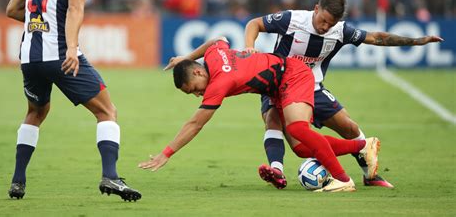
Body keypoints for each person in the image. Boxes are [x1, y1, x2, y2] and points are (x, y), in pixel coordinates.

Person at [244, 0, 444, 189]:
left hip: (313, 87)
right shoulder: (292, 19)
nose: (325, 27)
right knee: (275, 121)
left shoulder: (340, 31)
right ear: (316, 9)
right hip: (281, 85)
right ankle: (276, 171)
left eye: (330, 24)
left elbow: (377, 38)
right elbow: (255, 24)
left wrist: (417, 41)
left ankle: (370, 175)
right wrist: (249, 48)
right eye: (323, 20)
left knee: (348, 127)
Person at [5, 0, 141, 202]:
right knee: (107, 111)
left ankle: (18, 181)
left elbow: (11, 10)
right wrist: (71, 47)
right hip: (61, 54)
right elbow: (76, 7)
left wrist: (41, 25)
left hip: (30, 56)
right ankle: (111, 176)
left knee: (35, 113)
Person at [138, 37, 381, 193]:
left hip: (292, 74)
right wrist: (188, 58)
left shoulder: (219, 84)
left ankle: (342, 179)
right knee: (301, 148)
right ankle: (361, 145)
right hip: (274, 87)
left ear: (198, 74)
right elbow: (217, 40)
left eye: (193, 90)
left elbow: (195, 124)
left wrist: (166, 153)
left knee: (298, 129)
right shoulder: (213, 56)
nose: (196, 95)